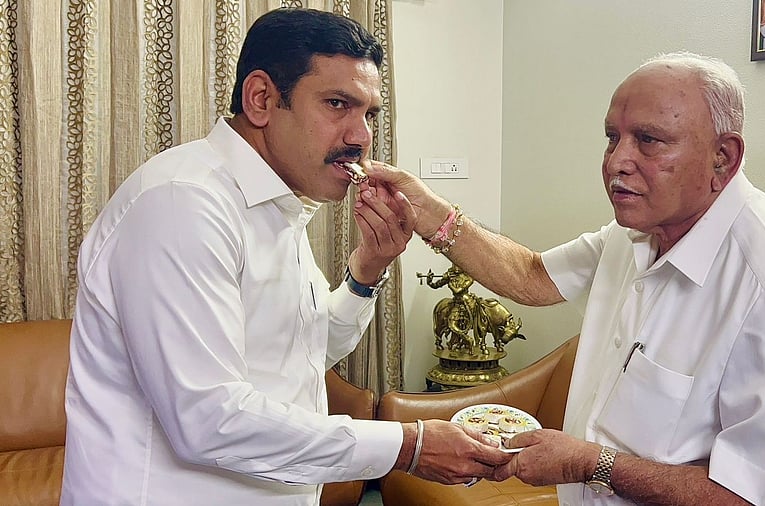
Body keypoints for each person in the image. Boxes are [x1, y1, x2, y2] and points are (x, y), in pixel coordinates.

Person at [61, 8, 510, 506]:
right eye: (337, 104)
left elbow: (305, 352)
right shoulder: (183, 202)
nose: (361, 137)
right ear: (261, 99)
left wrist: (367, 271)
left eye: (370, 114)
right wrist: (408, 446)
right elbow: (208, 419)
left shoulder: (280, 206)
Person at [369, 52, 765, 505]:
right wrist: (428, 212)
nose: (617, 161)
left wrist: (590, 463)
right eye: (612, 138)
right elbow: (533, 276)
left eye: (648, 140)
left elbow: (749, 497)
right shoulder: (637, 230)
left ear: (722, 157)